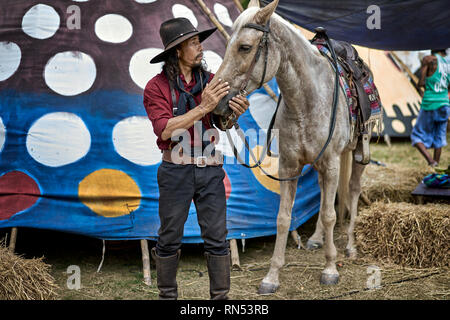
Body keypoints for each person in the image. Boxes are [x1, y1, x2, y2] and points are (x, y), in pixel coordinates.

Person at [143, 18, 249, 300]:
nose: (200, 47)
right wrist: (204, 106)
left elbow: (221, 122)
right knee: (169, 238)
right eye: (193, 43)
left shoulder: (212, 82)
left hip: (210, 170)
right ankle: (167, 297)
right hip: (175, 172)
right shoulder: (156, 87)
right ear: (177, 50)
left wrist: (233, 112)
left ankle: (220, 300)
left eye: (198, 41)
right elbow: (165, 128)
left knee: (217, 239)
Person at [411, 49, 450, 167]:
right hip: (444, 104)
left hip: (430, 103)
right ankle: (436, 166)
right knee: (439, 137)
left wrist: (424, 68)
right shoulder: (448, 63)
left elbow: (421, 83)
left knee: (416, 136)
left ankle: (431, 162)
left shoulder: (429, 59)